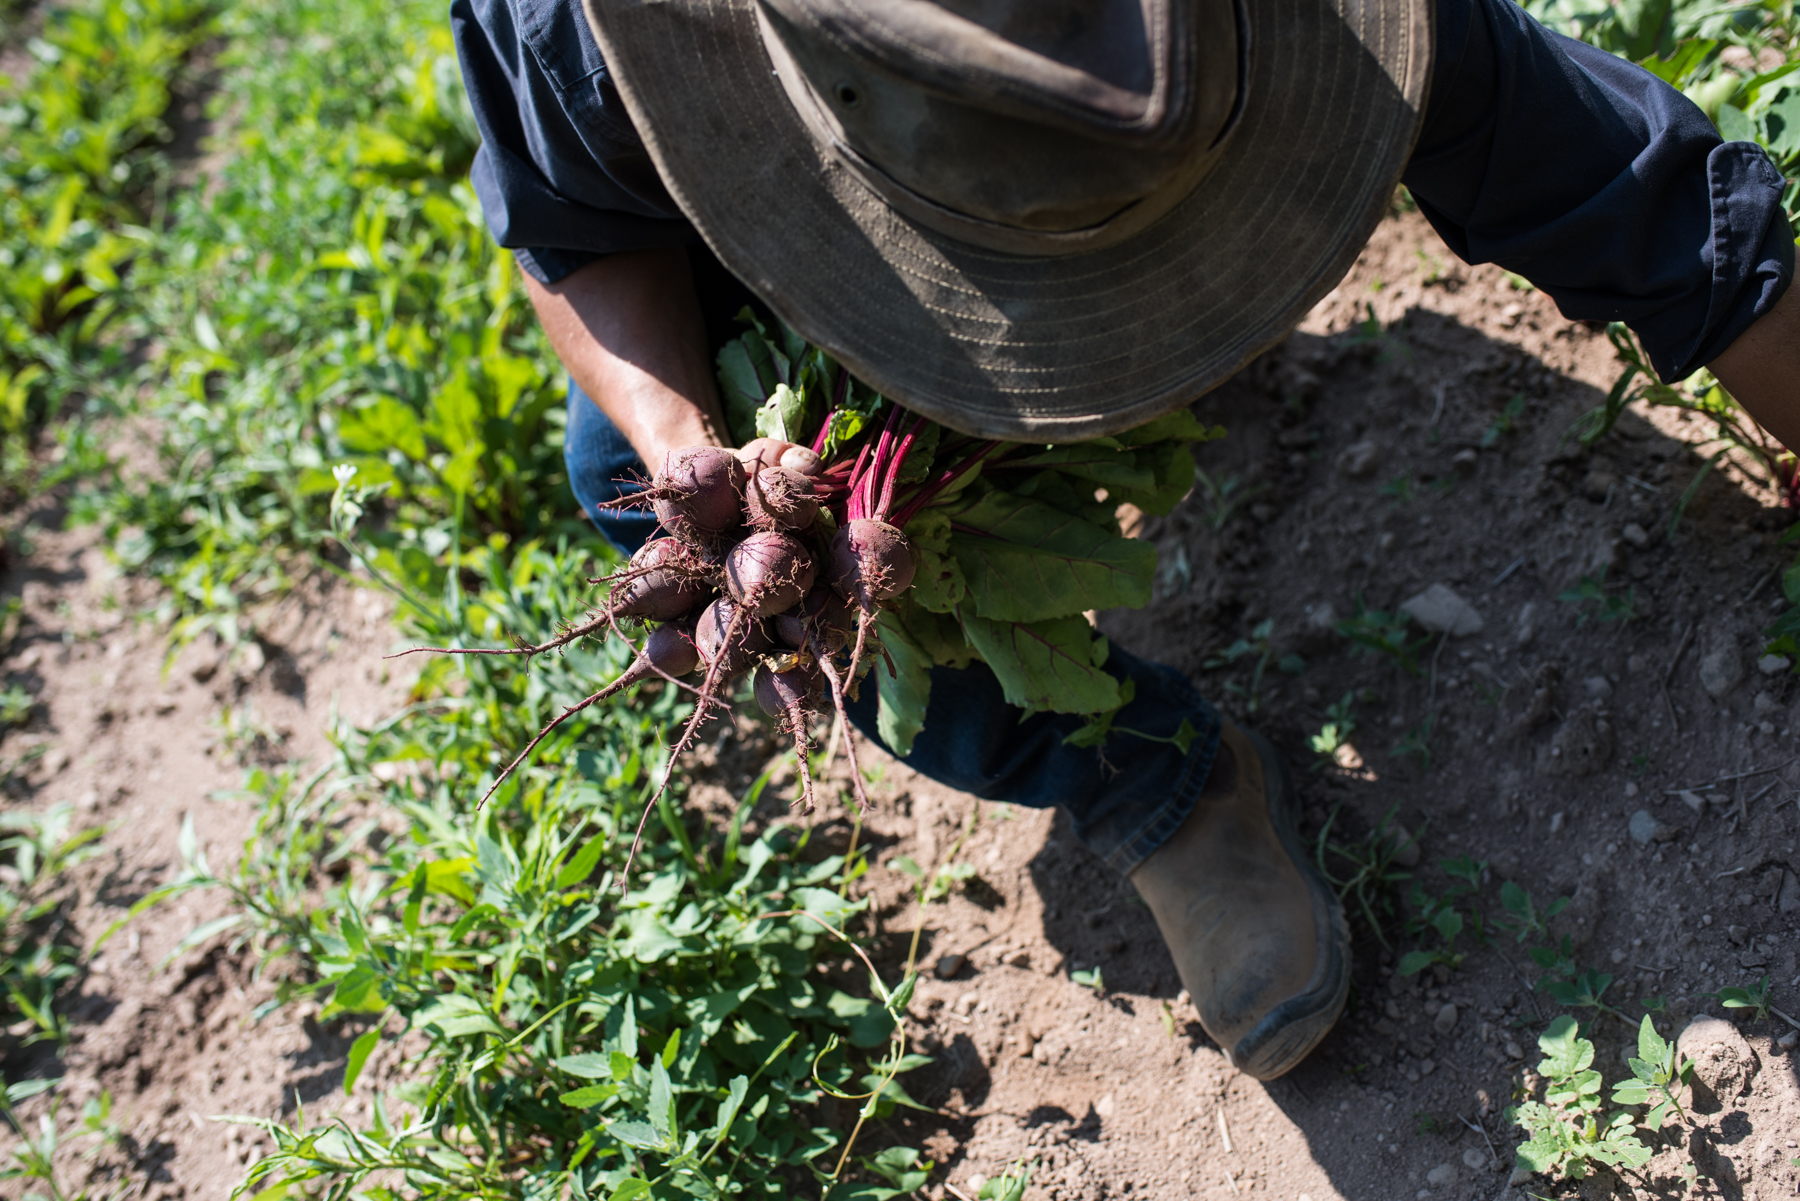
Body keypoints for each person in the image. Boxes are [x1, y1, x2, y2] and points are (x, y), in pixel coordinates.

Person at [452, 0, 1798, 1080]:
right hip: (812, 195)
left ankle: (1154, 267)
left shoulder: (1312, 29)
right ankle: (1150, 775)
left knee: (1472, 103)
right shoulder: (597, 37)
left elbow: (1623, 185)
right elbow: (570, 232)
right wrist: (692, 442)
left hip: (1205, 112)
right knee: (610, 467)